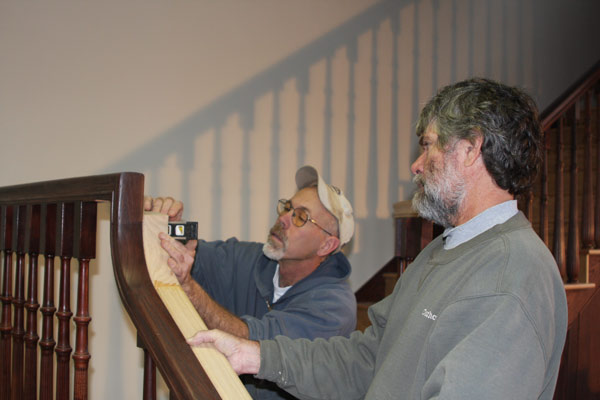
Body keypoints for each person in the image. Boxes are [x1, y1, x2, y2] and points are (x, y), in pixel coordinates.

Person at [189, 78, 569, 400]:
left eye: (428, 144)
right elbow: (369, 358)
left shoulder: (510, 277)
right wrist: (254, 357)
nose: (415, 165)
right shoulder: (440, 251)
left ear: (471, 149)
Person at [144, 165, 357, 399]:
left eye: (300, 217)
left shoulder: (334, 307)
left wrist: (189, 288)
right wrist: (167, 228)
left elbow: (255, 344)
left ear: (327, 246)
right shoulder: (251, 259)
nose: (283, 218)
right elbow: (194, 259)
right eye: (288, 207)